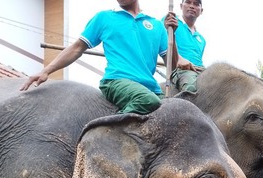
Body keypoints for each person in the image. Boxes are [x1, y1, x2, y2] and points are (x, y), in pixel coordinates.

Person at [20, 0, 176, 114]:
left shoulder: (156, 25)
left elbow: (173, 66)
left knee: (176, 111)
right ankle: (109, 132)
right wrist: (46, 70)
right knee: (147, 101)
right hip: (117, 82)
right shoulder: (104, 18)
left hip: (151, 88)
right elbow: (76, 48)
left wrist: (172, 36)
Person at [168, 0, 205, 92]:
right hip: (182, 70)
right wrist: (179, 59)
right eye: (188, 2)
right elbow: (162, 43)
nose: (192, 6)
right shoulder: (171, 21)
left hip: (201, 70)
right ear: (181, 6)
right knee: (191, 89)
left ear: (201, 10)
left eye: (196, 4)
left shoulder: (201, 39)